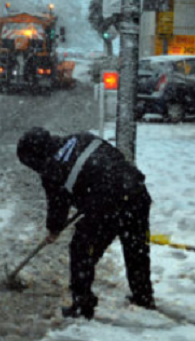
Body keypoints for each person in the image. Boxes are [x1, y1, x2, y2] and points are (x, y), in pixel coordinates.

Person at [16, 127, 155, 319]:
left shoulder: (51, 168)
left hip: (108, 204)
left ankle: (82, 305)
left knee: (81, 250)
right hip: (135, 191)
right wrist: (93, 189)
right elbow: (111, 157)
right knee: (135, 248)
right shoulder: (81, 137)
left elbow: (58, 205)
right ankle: (143, 296)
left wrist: (54, 230)